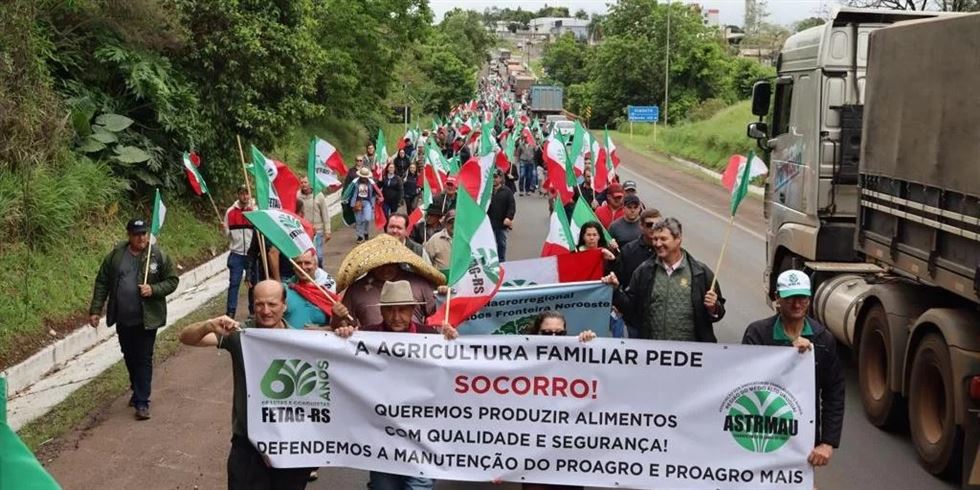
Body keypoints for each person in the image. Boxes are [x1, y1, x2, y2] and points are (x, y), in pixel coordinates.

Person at [178, 280, 319, 490]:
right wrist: (209, 324)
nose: (265, 311)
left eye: (272, 304)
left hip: (291, 444)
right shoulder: (240, 335)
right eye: (259, 304)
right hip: (248, 445)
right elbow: (186, 338)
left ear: (284, 305)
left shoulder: (301, 340)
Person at [332, 280, 455, 490]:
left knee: (419, 486)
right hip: (382, 437)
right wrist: (341, 333)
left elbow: (452, 374)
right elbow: (339, 359)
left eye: (402, 310)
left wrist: (452, 341)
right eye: (390, 311)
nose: (396, 317)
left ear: (413, 310)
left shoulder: (431, 336)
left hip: (421, 436)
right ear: (382, 311)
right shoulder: (365, 337)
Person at [742, 270, 844, 469]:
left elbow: (834, 393)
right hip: (759, 434)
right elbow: (746, 383)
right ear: (777, 298)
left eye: (802, 298)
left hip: (801, 441)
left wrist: (827, 443)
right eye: (790, 299)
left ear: (809, 298)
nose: (797, 305)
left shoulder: (823, 339)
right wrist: (789, 354)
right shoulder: (757, 334)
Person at [88, 218, 179, 420]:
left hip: (148, 319)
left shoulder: (157, 256)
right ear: (129, 235)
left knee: (144, 357)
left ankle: (142, 402)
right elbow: (102, 281)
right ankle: (137, 387)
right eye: (137, 234)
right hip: (123, 318)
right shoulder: (116, 256)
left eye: (144, 233)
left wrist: (153, 289)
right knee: (129, 354)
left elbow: (172, 281)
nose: (142, 238)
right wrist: (96, 309)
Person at [605, 217, 725, 342]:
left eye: (663, 239)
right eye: (655, 239)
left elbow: (719, 312)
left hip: (690, 355)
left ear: (678, 239)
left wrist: (713, 308)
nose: (657, 244)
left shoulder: (700, 273)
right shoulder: (644, 271)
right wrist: (616, 291)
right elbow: (630, 309)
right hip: (654, 352)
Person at [519, 310, 594, 490]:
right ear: (536, 333)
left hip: (568, 452)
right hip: (533, 451)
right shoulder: (519, 360)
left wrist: (592, 344)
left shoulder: (578, 356)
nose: (553, 337)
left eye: (559, 333)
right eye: (547, 333)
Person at [333, 234, 445, 328]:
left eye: (390, 264)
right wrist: (337, 319)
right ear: (371, 265)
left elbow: (440, 317)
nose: (386, 269)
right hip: (370, 351)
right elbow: (344, 326)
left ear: (398, 261)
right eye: (380, 265)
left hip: (414, 348)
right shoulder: (355, 290)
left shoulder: (420, 283)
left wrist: (443, 297)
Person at [283, 250, 338, 329]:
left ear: (316, 266)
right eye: (298, 263)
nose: (303, 267)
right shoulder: (285, 289)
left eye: (307, 263)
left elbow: (337, 326)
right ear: (293, 266)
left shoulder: (327, 290)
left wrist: (320, 330)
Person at [223, 185, 254, 318]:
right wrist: (223, 228)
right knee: (234, 283)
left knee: (253, 283)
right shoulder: (230, 212)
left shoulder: (254, 210)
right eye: (242, 194)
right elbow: (227, 233)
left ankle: (253, 311)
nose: (245, 197)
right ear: (238, 195)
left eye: (247, 194)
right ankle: (231, 312)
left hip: (252, 254)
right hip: (236, 253)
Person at [297, 177, 331, 266]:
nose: (303, 184)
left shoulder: (319, 196)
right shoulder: (297, 196)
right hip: (303, 231)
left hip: (317, 231)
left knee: (318, 256)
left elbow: (325, 214)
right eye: (302, 182)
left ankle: (320, 273)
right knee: (306, 255)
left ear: (310, 183)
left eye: (305, 182)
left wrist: (327, 231)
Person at [487, 170, 516, 261]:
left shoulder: (507, 191)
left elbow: (512, 206)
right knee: (488, 245)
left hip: (501, 224)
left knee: (501, 244)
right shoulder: (487, 192)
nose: (493, 179)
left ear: (500, 178)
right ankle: (490, 263)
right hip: (488, 224)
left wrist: (509, 217)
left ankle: (502, 262)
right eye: (492, 177)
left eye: (495, 177)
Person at [349, 167, 380, 243]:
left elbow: (375, 191)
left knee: (367, 218)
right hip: (358, 202)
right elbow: (352, 193)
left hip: (367, 202)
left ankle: (365, 232)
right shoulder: (355, 182)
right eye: (362, 176)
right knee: (358, 220)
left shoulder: (371, 183)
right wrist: (352, 204)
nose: (364, 178)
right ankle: (360, 236)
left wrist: (375, 201)